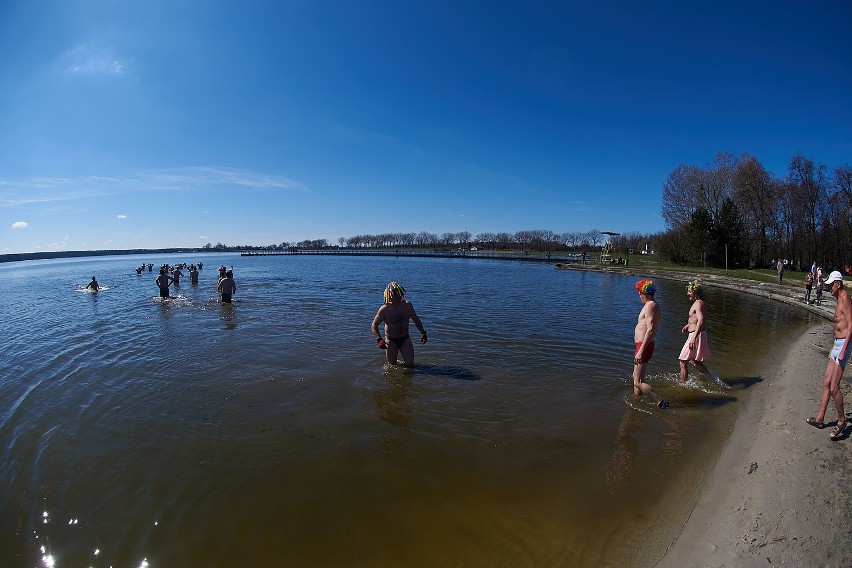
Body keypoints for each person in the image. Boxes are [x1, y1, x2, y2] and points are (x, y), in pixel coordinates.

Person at [806, 271, 852, 440]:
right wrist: (835, 346)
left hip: (843, 347)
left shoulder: (845, 298)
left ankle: (842, 420)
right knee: (826, 382)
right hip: (837, 345)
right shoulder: (838, 298)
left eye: (831, 284)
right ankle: (820, 419)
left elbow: (851, 325)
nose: (828, 287)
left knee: (834, 387)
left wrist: (842, 350)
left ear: (838, 284)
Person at [371, 281, 427, 367]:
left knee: (410, 364)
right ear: (389, 296)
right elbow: (374, 325)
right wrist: (379, 339)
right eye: (394, 294)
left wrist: (423, 332)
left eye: (398, 294)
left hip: (405, 338)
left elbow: (416, 319)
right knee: (392, 366)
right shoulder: (384, 309)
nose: (397, 296)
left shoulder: (407, 305)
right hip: (391, 340)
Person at [633, 279, 668, 408]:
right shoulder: (650, 305)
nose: (639, 295)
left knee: (638, 382)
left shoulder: (650, 306)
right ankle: (636, 401)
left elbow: (651, 329)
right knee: (635, 378)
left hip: (644, 346)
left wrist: (641, 350)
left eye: (640, 292)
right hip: (642, 345)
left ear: (645, 293)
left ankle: (661, 403)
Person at [678, 280, 721, 385]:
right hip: (697, 334)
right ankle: (712, 377)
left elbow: (701, 320)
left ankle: (683, 386)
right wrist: (688, 326)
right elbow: (696, 319)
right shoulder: (699, 303)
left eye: (689, 292)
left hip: (695, 335)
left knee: (683, 362)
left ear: (695, 293)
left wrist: (693, 338)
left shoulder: (698, 303)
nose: (688, 294)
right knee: (692, 360)